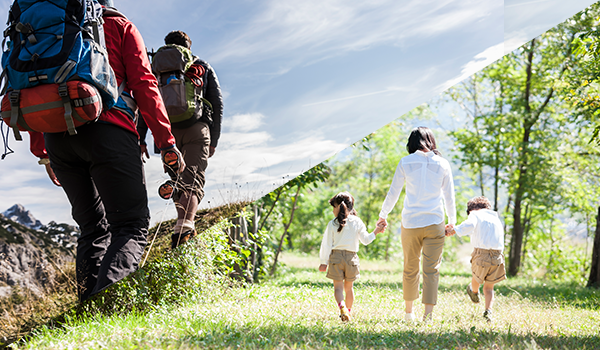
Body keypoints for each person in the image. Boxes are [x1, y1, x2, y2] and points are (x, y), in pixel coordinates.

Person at [29, 0, 185, 302]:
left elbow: (33, 89)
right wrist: (166, 141)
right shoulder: (118, 24)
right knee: (130, 226)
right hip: (110, 130)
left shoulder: (46, 28)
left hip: (57, 139)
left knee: (91, 229)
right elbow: (144, 83)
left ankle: (88, 313)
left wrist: (43, 152)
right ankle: (108, 309)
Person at [139, 30, 223, 249]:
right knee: (193, 178)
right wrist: (213, 139)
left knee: (178, 180)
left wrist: (141, 137)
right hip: (197, 127)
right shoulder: (201, 65)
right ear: (188, 46)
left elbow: (145, 100)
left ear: (166, 45)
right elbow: (217, 101)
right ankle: (184, 227)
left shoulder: (155, 67)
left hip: (166, 133)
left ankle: (182, 224)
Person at [377, 126, 456, 322]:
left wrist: (383, 215)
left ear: (411, 143)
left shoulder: (406, 162)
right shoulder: (443, 164)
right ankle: (428, 317)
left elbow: (393, 192)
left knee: (410, 267)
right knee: (432, 270)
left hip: (411, 222)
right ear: (431, 141)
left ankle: (408, 313)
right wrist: (452, 222)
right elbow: (449, 196)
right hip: (435, 221)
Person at [319, 192, 386, 321]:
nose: (333, 211)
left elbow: (326, 244)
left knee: (338, 288)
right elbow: (366, 240)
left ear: (339, 206)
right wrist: (376, 231)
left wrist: (324, 261)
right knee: (349, 288)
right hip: (351, 259)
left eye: (334, 207)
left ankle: (342, 307)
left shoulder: (333, 223)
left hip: (336, 258)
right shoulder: (357, 222)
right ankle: (348, 312)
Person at [445, 196, 506, 322]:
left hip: (482, 254)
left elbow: (469, 225)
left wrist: (454, 229)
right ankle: (488, 311)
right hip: (497, 255)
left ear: (471, 210)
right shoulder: (496, 219)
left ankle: (473, 291)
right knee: (489, 287)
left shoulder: (475, 215)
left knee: (476, 277)